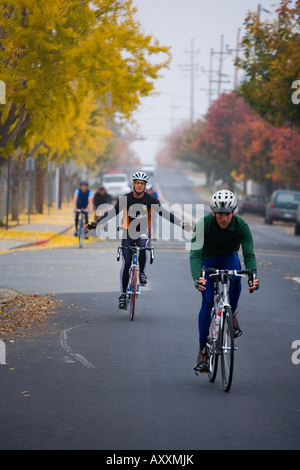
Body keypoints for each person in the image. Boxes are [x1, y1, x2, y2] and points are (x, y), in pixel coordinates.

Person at [85, 171, 191, 309]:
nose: (140, 185)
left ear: (145, 185)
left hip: (141, 232)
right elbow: (111, 213)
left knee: (142, 246)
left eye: (142, 183)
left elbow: (165, 214)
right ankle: (123, 294)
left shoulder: (150, 200)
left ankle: (141, 273)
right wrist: (95, 224)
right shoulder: (125, 199)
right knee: (127, 263)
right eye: (137, 183)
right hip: (127, 233)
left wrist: (182, 224)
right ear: (133, 184)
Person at [190, 189, 259, 372]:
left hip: (229, 256)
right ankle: (202, 351)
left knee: (237, 277)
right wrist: (198, 278)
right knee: (206, 301)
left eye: (227, 214)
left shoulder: (241, 226)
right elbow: (195, 255)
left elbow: (249, 254)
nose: (223, 219)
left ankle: (232, 313)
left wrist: (253, 276)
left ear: (233, 212)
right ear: (213, 213)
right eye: (220, 214)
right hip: (207, 259)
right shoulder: (203, 224)